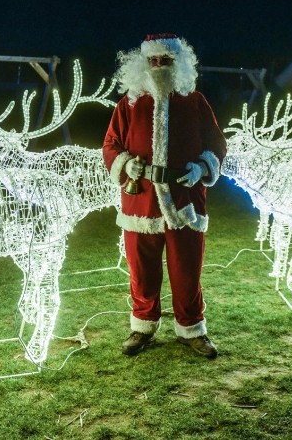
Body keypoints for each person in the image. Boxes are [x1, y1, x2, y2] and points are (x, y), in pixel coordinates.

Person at [102, 33, 227, 359]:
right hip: (140, 199)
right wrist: (127, 165)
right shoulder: (128, 104)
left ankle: (192, 329)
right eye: (153, 60)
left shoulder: (195, 102)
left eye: (166, 60)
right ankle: (142, 327)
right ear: (143, 63)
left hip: (184, 200)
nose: (158, 66)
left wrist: (202, 168)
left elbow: (216, 145)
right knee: (141, 270)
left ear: (178, 63)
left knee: (187, 270)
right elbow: (111, 145)